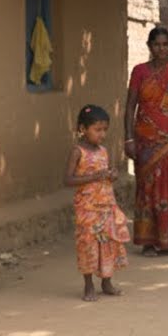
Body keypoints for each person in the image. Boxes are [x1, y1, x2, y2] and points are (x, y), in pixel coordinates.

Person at [124, 28, 168, 257]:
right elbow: (130, 105)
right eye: (157, 44)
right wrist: (129, 138)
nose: (161, 49)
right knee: (148, 187)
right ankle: (149, 242)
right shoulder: (140, 72)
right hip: (145, 139)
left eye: (165, 44)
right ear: (149, 46)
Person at [65, 105, 129, 301]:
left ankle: (106, 282)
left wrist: (112, 176)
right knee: (88, 245)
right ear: (83, 129)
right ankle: (88, 285)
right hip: (87, 208)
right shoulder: (78, 152)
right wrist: (94, 176)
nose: (102, 134)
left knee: (108, 243)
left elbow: (106, 174)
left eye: (105, 130)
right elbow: (67, 180)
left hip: (106, 206)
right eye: (98, 129)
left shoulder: (103, 151)